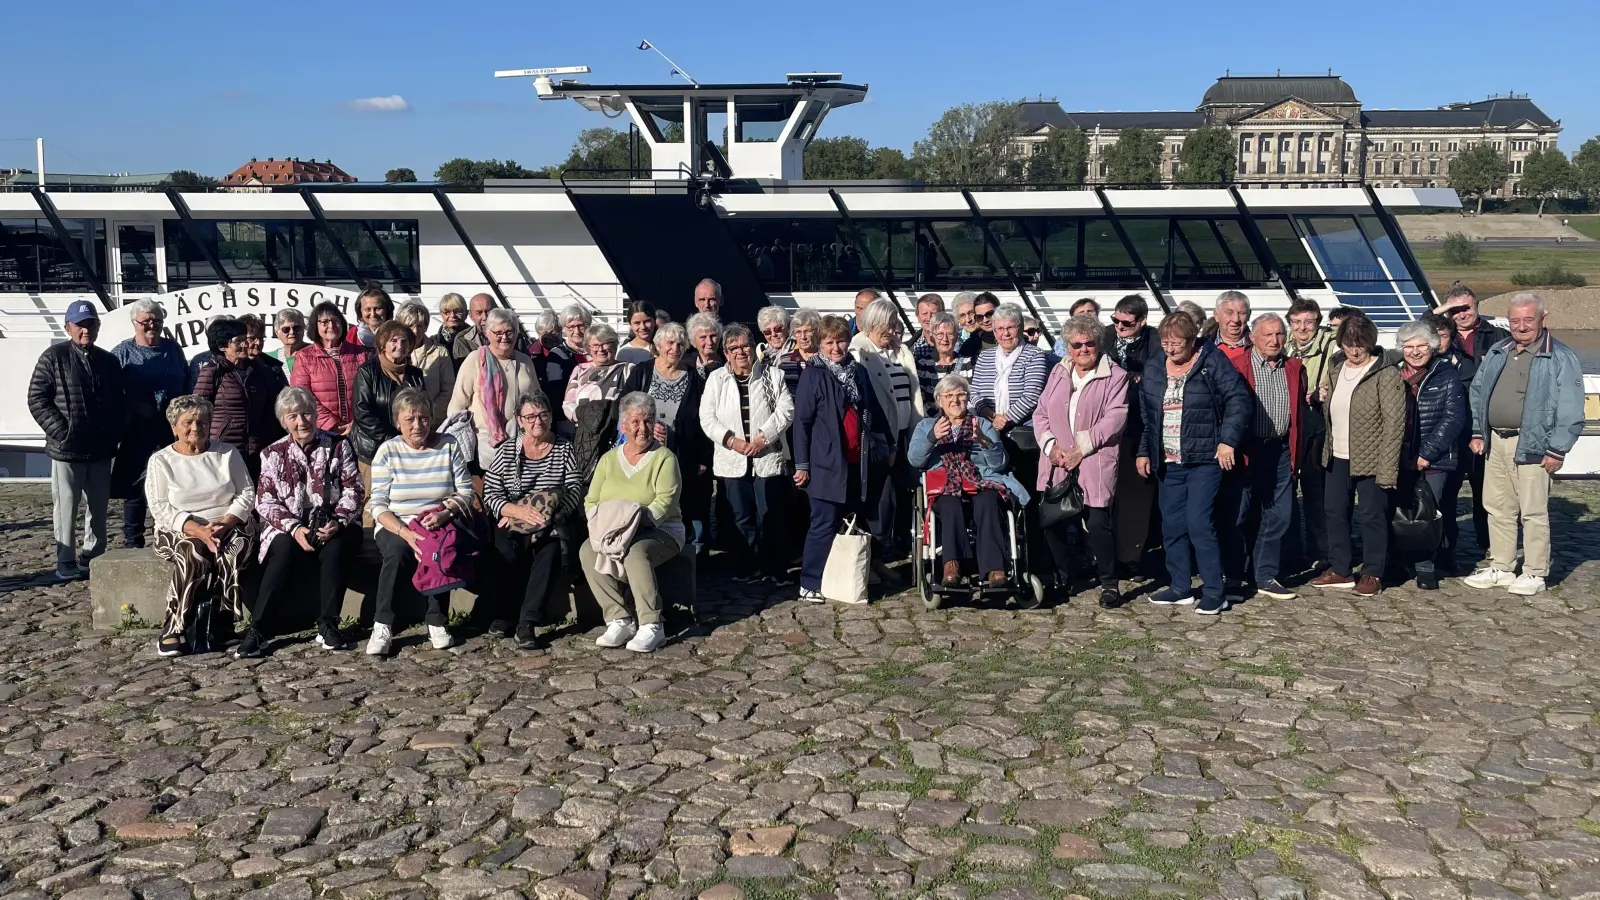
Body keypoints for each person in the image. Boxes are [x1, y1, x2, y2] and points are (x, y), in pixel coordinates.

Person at [1463, 293, 1583, 596]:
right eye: (1515, 320)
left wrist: (1558, 449)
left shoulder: (1559, 356)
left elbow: (1570, 406)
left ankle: (1534, 572)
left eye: (1528, 319)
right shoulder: (1499, 350)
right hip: (1496, 442)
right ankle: (1502, 566)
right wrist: (1478, 431)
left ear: (1544, 319)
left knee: (1532, 511)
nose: (1521, 326)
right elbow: (1478, 392)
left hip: (1534, 444)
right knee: (1497, 507)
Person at [1136, 312, 1250, 614]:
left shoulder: (1212, 362)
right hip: (1169, 459)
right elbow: (1149, 415)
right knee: (1172, 525)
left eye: (1176, 344)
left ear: (1191, 340)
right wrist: (1144, 450)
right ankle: (1180, 586)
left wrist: (1228, 441)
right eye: (1166, 344)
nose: (1170, 350)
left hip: (1204, 458)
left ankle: (1215, 590)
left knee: (1199, 522)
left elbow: (1238, 400)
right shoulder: (1155, 367)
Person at [240, 386, 363, 657]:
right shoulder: (272, 453)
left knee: (335, 547)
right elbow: (266, 501)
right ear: (284, 421)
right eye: (293, 416)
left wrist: (339, 521)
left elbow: (354, 489)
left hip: (333, 520)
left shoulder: (338, 445)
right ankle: (259, 628)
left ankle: (328, 624)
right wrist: (295, 529)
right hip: (289, 524)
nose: (301, 421)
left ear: (316, 414)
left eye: (306, 413)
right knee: (283, 548)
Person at [144, 395, 255, 657]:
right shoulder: (161, 460)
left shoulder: (227, 453)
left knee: (233, 549)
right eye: (188, 422)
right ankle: (174, 627)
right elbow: (160, 507)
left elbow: (247, 493)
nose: (196, 428)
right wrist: (197, 529)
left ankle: (224, 622)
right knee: (192, 554)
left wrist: (227, 522)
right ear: (174, 427)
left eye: (203, 422)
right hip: (179, 528)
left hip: (228, 522)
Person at [793, 316, 894, 603]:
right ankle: (809, 582)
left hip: (857, 461)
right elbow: (801, 424)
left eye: (840, 341)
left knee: (856, 520)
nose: (835, 347)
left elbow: (874, 410)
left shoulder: (858, 371)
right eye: (829, 342)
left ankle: (849, 574)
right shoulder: (813, 375)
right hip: (826, 463)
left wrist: (889, 445)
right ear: (820, 344)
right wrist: (802, 465)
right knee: (823, 522)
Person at [366, 388, 474, 656]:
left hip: (437, 517)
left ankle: (437, 620)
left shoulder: (448, 444)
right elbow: (377, 504)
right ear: (398, 422)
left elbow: (466, 491)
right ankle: (382, 623)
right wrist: (405, 532)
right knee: (398, 552)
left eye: (423, 418)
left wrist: (445, 514)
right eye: (410, 419)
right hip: (397, 522)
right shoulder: (388, 451)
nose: (418, 425)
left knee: (439, 546)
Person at [1032, 316, 1128, 607]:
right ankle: (1063, 578)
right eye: (1077, 344)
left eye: (1090, 343)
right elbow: (1041, 413)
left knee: (1098, 522)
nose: (1084, 349)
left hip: (1094, 459)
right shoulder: (1058, 371)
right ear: (1068, 346)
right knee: (1053, 521)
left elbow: (1116, 418)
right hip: (1057, 460)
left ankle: (1110, 582)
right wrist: (1051, 447)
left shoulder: (1115, 375)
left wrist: (1081, 448)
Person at [580, 392, 684, 653]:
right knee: (587, 550)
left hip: (661, 530)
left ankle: (651, 624)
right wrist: (611, 526)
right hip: (613, 531)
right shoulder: (608, 460)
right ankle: (619, 618)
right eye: (635, 422)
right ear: (623, 426)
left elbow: (664, 504)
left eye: (648, 421)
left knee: (635, 553)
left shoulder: (664, 458)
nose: (642, 428)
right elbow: (591, 502)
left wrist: (630, 523)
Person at [1309, 315, 1405, 596]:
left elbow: (1394, 422)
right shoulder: (1336, 366)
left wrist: (1388, 469)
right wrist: (1320, 395)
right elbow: (1329, 402)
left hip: (1372, 457)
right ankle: (1340, 568)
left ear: (1370, 343)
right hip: (1337, 453)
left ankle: (1373, 572)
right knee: (1335, 511)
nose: (1354, 350)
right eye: (1349, 344)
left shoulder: (1385, 373)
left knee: (1372, 514)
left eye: (1359, 344)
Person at [30, 299, 124, 580]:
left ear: (97, 327)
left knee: (98, 508)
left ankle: (93, 556)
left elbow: (119, 401)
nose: (86, 330)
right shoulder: (52, 357)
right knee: (66, 509)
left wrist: (114, 433)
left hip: (100, 448)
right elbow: (37, 398)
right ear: (68, 327)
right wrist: (62, 432)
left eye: (90, 324)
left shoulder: (108, 361)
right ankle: (66, 559)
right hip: (66, 449)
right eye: (80, 325)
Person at [910, 373, 1030, 588]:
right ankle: (952, 566)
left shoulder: (982, 424)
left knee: (990, 501)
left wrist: (985, 443)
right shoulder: (926, 425)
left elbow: (999, 464)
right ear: (939, 400)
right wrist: (932, 438)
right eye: (948, 395)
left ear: (967, 398)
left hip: (981, 481)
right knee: (949, 503)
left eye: (960, 395)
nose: (955, 400)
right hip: (945, 485)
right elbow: (915, 460)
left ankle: (995, 570)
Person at [483, 392, 583, 649]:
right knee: (505, 549)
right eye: (530, 416)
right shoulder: (507, 450)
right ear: (520, 420)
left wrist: (553, 515)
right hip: (513, 518)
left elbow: (574, 488)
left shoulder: (564, 448)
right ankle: (504, 613)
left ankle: (527, 622)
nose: (537, 421)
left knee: (550, 552)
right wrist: (513, 511)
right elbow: (491, 492)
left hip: (551, 521)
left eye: (543, 415)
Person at [1221, 314, 1308, 602]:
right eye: (1268, 335)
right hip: (1247, 451)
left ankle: (1265, 574)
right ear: (1253, 337)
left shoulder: (1295, 369)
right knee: (1239, 514)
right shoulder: (1237, 367)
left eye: (1280, 334)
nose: (1275, 340)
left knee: (1279, 515)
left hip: (1281, 450)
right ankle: (1234, 575)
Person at [701, 324, 794, 581]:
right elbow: (707, 418)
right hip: (733, 458)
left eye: (744, 345)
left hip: (766, 455)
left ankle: (774, 569)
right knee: (741, 516)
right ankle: (748, 566)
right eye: (734, 348)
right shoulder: (717, 379)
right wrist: (732, 441)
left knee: (771, 515)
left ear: (753, 347)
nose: (740, 351)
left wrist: (763, 437)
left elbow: (786, 410)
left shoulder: (773, 375)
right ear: (726, 353)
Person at [1436, 284, 1509, 565]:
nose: (1461, 314)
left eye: (1466, 307)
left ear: (1476, 306)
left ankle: (1488, 543)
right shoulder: (1441, 336)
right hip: (1452, 428)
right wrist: (1444, 313)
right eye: (1454, 310)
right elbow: (1417, 331)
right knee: (1448, 492)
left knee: (1486, 491)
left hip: (1485, 426)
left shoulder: (1498, 336)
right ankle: (1446, 547)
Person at [623, 322, 711, 552]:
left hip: (683, 454)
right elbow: (623, 408)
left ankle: (686, 555)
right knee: (649, 501)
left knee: (682, 505)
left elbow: (704, 419)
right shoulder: (642, 372)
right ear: (658, 344)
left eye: (680, 344)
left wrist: (702, 458)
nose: (675, 348)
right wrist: (648, 429)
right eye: (670, 343)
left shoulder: (694, 378)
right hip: (645, 453)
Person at [1393, 320, 1467, 590]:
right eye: (1409, 346)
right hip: (1397, 455)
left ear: (1433, 346)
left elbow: (1453, 418)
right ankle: (1399, 561)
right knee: (1398, 509)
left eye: (1421, 345)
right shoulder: (1394, 373)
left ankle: (1426, 565)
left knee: (1429, 512)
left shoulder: (1446, 374)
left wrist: (1427, 453)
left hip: (1433, 458)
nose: (1415, 351)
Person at [852, 298, 924, 569]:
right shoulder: (861, 351)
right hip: (879, 437)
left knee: (904, 491)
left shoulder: (900, 351)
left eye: (893, 325)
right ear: (872, 324)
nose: (891, 332)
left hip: (906, 432)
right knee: (881, 497)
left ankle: (900, 546)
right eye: (885, 326)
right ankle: (877, 556)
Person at [111, 299, 187, 550]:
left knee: (171, 484)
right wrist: (130, 406)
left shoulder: (173, 349)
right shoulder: (122, 352)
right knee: (136, 487)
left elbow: (185, 384)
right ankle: (132, 542)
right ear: (135, 323)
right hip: (137, 427)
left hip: (170, 429)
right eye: (146, 321)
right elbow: (110, 390)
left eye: (157, 321)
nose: (152, 325)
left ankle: (168, 537)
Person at [969, 303, 1049, 525]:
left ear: (1020, 328)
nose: (1005, 333)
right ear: (993, 332)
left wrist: (1006, 420)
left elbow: (1032, 395)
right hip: (989, 430)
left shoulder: (1035, 355)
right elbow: (974, 393)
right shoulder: (985, 357)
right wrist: (991, 417)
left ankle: (1032, 547)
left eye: (1010, 328)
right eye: (1000, 329)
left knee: (1028, 491)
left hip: (1021, 433)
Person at [1103, 295, 1158, 577]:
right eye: (1116, 320)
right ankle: (1104, 554)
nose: (1119, 326)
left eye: (1126, 322)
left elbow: (1156, 374)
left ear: (1142, 321)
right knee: (1105, 493)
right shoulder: (1104, 337)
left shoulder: (1155, 341)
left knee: (1136, 493)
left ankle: (1132, 555)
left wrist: (1132, 377)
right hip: (1106, 424)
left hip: (1139, 425)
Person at [191, 318, 285, 476]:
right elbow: (196, 410)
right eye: (238, 341)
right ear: (222, 346)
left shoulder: (257, 371)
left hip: (256, 449)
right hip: (223, 449)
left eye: (244, 340)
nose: (245, 345)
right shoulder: (212, 372)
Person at [449, 308, 540, 463]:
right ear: (487, 333)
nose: (504, 337)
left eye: (510, 332)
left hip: (523, 443)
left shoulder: (526, 362)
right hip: (484, 445)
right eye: (498, 333)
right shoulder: (475, 359)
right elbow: (457, 406)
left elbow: (538, 400)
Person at [1285, 298, 1334, 570]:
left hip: (1317, 421)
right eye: (1297, 322)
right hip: (1291, 422)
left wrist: (1320, 391)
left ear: (1317, 322)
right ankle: (1291, 550)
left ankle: (1321, 551)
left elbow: (1335, 376)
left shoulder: (1330, 345)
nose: (1303, 327)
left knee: (1316, 490)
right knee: (1287, 488)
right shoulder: (1285, 345)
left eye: (1308, 322)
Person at [353, 320, 426, 469]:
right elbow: (362, 412)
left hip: (409, 449)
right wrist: (393, 439)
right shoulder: (367, 372)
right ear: (382, 344)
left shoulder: (415, 375)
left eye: (404, 341)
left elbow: (424, 408)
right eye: (393, 341)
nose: (400, 346)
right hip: (373, 451)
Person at [291, 301, 370, 435]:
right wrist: (332, 424)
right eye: (325, 322)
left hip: (358, 430)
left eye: (335, 320)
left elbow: (370, 393)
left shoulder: (361, 354)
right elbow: (302, 396)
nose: (331, 325)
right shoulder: (304, 357)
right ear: (315, 326)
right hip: (321, 431)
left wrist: (356, 423)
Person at [393, 302, 455, 425]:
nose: (415, 331)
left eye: (420, 326)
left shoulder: (440, 353)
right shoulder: (391, 353)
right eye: (410, 325)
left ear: (426, 327)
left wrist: (427, 415)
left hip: (431, 423)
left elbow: (448, 391)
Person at [563, 324, 634, 421]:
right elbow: (568, 403)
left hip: (616, 429)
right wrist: (584, 419)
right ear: (588, 348)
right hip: (584, 429)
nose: (601, 350)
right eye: (595, 345)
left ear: (614, 345)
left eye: (605, 344)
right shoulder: (580, 369)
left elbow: (636, 403)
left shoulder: (627, 369)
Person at [914, 311, 973, 412]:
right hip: (932, 421)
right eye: (940, 334)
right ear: (932, 336)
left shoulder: (967, 363)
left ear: (956, 337)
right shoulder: (923, 364)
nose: (945, 339)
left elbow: (971, 398)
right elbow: (921, 400)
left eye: (950, 334)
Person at [778, 309, 821, 397]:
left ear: (817, 332)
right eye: (798, 332)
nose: (803, 337)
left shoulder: (825, 358)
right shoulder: (785, 360)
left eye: (807, 331)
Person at [240, 315, 287, 394]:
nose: (258, 343)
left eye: (261, 338)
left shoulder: (274, 367)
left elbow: (285, 397)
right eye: (252, 338)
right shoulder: (229, 367)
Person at [450, 293, 496, 368]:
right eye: (479, 313)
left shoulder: (512, 336)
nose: (485, 317)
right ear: (471, 316)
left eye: (488, 311)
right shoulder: (463, 340)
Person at [268, 309, 309, 381]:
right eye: (286, 329)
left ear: (303, 330)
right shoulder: (270, 359)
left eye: (296, 328)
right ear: (277, 333)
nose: (292, 332)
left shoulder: (315, 354)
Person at [1213, 291, 1251, 362]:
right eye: (1229, 313)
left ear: (1249, 315)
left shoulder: (1260, 346)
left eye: (1241, 313)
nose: (1236, 319)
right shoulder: (1202, 347)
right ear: (1216, 315)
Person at [435, 293, 471, 368]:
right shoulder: (433, 343)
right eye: (447, 312)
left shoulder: (476, 340)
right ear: (441, 314)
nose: (452, 316)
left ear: (466, 313)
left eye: (458, 311)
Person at [960, 292, 1001, 357]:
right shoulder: (969, 346)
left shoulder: (1014, 338)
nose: (985, 320)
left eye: (990, 314)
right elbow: (959, 366)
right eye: (979, 317)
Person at [619, 301, 658, 365]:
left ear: (654, 321)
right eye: (637, 323)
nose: (643, 327)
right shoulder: (624, 352)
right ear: (630, 324)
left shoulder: (665, 347)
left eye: (647, 321)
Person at [688, 312, 723, 378]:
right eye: (703, 337)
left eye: (713, 336)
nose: (709, 342)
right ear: (693, 342)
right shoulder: (686, 366)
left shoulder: (728, 361)